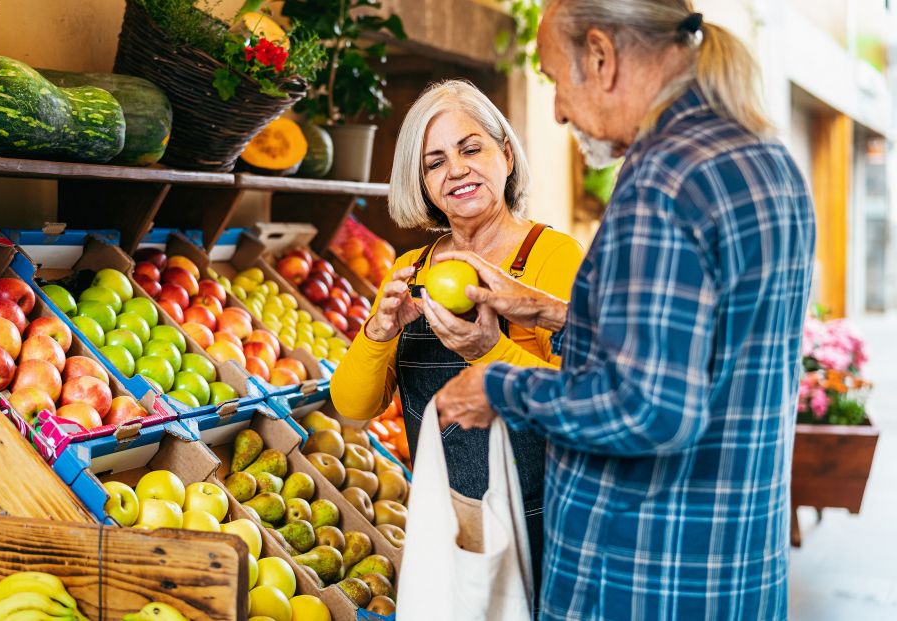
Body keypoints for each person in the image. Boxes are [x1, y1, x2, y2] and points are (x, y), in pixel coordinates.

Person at [433, 2, 817, 620]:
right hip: (734, 566)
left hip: (641, 576)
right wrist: (548, 310)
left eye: (557, 78)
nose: (557, 108)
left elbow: (650, 408)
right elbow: (699, 350)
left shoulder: (662, 179)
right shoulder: (765, 160)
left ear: (601, 57)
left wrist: (497, 386)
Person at [330, 79, 583, 602]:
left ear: (506, 155)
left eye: (471, 149)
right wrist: (379, 331)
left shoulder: (554, 258)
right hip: (447, 522)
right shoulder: (410, 270)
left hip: (547, 520)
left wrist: (486, 351)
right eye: (434, 162)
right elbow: (352, 409)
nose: (457, 170)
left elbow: (581, 402)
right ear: (420, 181)